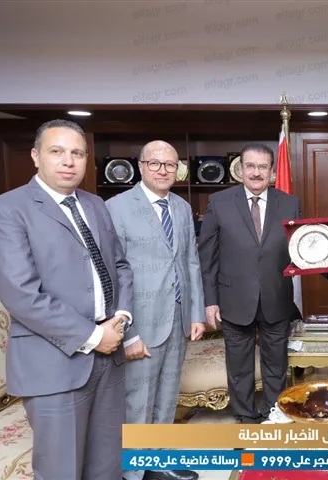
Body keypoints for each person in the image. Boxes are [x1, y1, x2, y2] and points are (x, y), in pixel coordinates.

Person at [0, 119, 133, 480]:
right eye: (57, 151)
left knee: (108, 464)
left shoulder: (95, 204)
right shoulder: (5, 211)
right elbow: (22, 295)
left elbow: (120, 266)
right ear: (36, 156)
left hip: (109, 358)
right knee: (61, 470)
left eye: (77, 153)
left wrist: (122, 317)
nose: (68, 161)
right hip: (54, 364)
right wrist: (94, 336)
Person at [106, 141, 207, 480]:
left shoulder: (181, 206)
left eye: (170, 165)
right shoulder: (117, 207)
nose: (163, 170)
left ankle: (159, 461)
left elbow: (190, 262)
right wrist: (127, 333)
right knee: (139, 399)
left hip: (177, 318)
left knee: (167, 395)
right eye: (155, 163)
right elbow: (112, 274)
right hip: (140, 322)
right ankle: (133, 472)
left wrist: (195, 313)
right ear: (140, 166)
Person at [198, 143, 301, 424]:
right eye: (251, 166)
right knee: (239, 368)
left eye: (263, 167)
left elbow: (302, 248)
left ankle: (273, 418)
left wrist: (325, 262)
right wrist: (210, 301)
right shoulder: (219, 202)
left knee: (276, 367)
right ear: (240, 169)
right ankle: (244, 420)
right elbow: (207, 257)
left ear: (272, 171)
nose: (256, 172)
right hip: (233, 301)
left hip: (276, 298)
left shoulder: (290, 203)